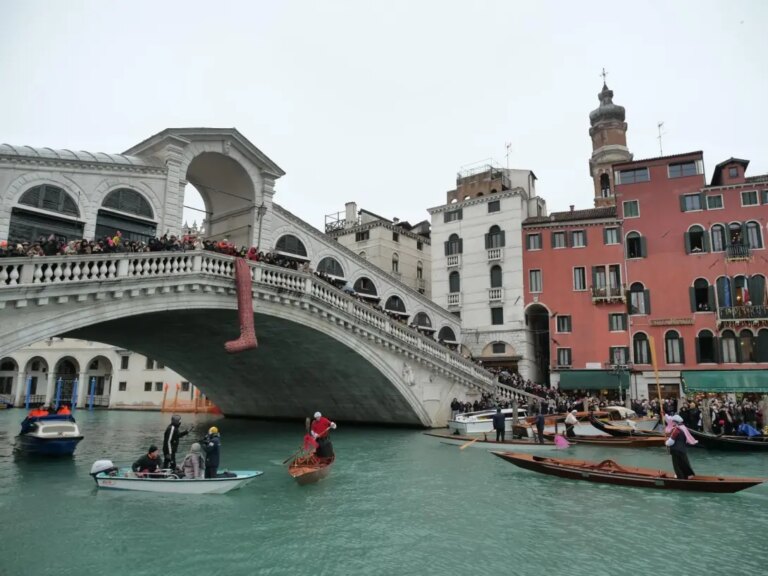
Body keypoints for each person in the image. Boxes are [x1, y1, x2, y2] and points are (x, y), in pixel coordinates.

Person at [664, 415, 697, 479]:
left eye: (673, 421)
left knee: (677, 464)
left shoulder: (676, 430)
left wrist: (666, 443)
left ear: (675, 422)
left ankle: (680, 477)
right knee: (684, 462)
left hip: (675, 450)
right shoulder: (684, 428)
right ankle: (688, 474)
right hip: (682, 449)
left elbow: (671, 441)